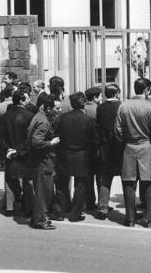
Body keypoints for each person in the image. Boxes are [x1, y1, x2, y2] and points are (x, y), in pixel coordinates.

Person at [115, 78, 151, 228]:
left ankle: (129, 218)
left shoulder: (123, 106)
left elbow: (118, 130)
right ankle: (149, 217)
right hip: (147, 146)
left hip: (129, 146)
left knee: (129, 182)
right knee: (149, 182)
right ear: (147, 90)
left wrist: (127, 140)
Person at [54, 92, 96, 222]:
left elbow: (56, 134)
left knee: (61, 184)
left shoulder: (61, 118)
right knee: (80, 185)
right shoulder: (88, 120)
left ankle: (60, 212)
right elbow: (94, 140)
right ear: (83, 103)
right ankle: (75, 213)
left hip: (64, 153)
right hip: (82, 155)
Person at [27, 93, 61, 230]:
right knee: (43, 191)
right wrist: (51, 143)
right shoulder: (43, 121)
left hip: (41, 159)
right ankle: (40, 219)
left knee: (43, 189)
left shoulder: (40, 117)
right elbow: (37, 141)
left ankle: (39, 217)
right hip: (43, 160)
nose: (58, 111)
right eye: (56, 108)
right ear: (47, 108)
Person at [0, 90, 35, 216]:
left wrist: (8, 149)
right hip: (24, 152)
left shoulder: (5, 116)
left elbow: (0, 136)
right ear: (22, 101)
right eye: (27, 99)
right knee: (27, 179)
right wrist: (19, 150)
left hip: (10, 152)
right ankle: (28, 206)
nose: (29, 100)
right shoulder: (30, 116)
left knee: (9, 178)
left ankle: (9, 207)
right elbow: (30, 137)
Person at [94, 84, 123, 220]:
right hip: (120, 147)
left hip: (105, 147)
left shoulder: (100, 108)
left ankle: (102, 207)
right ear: (117, 93)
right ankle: (130, 208)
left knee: (105, 179)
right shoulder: (121, 106)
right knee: (127, 179)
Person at [83, 86, 102, 210]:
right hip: (97, 147)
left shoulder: (83, 109)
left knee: (88, 177)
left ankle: (89, 201)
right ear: (95, 97)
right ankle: (102, 203)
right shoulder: (98, 110)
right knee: (100, 177)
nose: (101, 98)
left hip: (85, 147)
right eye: (100, 96)